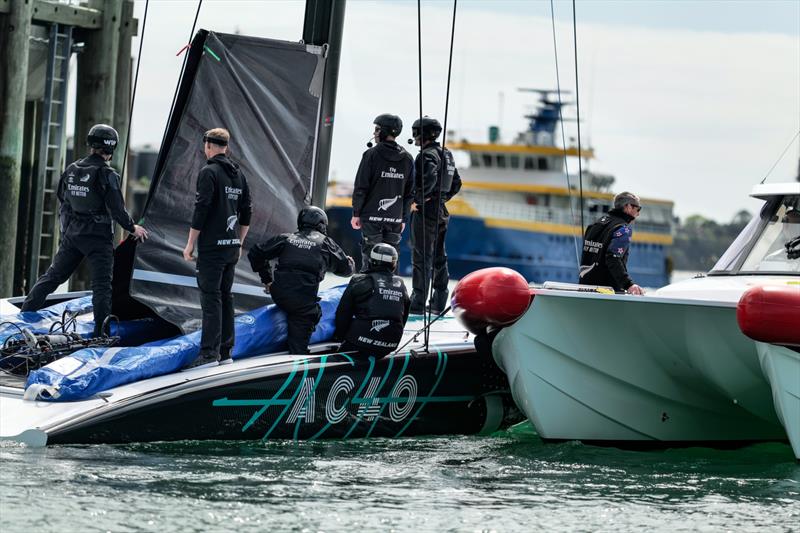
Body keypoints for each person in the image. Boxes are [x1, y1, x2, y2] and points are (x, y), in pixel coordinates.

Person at [22, 124, 149, 336]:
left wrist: (66, 233)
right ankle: (102, 333)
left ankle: (24, 315)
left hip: (73, 234)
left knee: (53, 276)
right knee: (101, 286)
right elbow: (117, 210)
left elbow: (63, 203)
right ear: (111, 147)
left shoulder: (71, 169)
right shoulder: (107, 174)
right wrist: (132, 227)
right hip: (98, 238)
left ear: (91, 144)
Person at [183, 128, 252, 368]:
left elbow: (201, 209)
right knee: (226, 297)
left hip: (212, 247)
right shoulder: (239, 174)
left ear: (208, 146)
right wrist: (240, 241)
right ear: (226, 146)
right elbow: (247, 211)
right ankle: (225, 352)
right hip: (232, 246)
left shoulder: (209, 172)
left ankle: (208, 354)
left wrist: (190, 243)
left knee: (210, 298)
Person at [248, 206, 355, 355]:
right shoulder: (326, 243)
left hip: (279, 295)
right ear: (322, 224)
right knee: (300, 344)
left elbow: (255, 253)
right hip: (303, 305)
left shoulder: (286, 238)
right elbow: (346, 271)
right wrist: (349, 262)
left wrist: (267, 280)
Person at [409, 116, 462, 314]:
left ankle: (417, 302)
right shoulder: (447, 154)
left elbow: (429, 179)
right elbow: (457, 183)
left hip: (426, 212)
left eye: (415, 132)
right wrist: (441, 198)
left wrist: (418, 201)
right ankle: (439, 302)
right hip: (441, 211)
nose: (414, 136)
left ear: (422, 133)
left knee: (421, 256)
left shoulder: (426, 155)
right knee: (440, 256)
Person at [351, 113, 415, 271]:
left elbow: (361, 187)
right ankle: (391, 292)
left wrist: (356, 213)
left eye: (377, 129)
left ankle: (368, 292)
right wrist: (403, 218)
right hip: (394, 219)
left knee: (370, 258)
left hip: (371, 218)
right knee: (392, 259)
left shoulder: (371, 154)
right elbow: (409, 193)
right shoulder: (408, 158)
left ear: (383, 131)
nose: (374, 133)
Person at [333, 243, 410, 358]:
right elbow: (403, 317)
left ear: (370, 261)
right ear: (394, 264)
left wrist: (339, 339)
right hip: (390, 345)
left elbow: (342, 314)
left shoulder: (358, 280)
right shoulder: (401, 284)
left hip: (359, 342)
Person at [578, 191, 644, 295]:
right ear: (628, 207)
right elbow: (613, 257)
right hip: (607, 292)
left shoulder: (595, 224)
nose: (638, 213)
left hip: (583, 289)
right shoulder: (623, 229)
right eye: (638, 209)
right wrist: (629, 284)